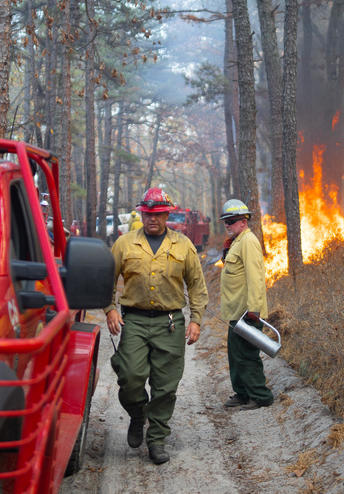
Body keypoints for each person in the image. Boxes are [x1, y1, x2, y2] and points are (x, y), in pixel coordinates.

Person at [104, 187, 207, 465]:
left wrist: (196, 319)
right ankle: (138, 414)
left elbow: (197, 284)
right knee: (129, 376)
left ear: (166, 215)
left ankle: (157, 439)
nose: (153, 219)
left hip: (169, 323)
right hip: (134, 321)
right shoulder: (124, 244)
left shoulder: (183, 244)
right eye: (148, 213)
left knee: (165, 386)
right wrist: (110, 309)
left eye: (159, 214)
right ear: (142, 214)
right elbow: (106, 280)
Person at [218, 198, 274, 410]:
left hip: (247, 313)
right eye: (226, 221)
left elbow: (256, 277)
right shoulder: (236, 242)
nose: (227, 224)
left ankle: (260, 396)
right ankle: (242, 393)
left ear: (244, 221)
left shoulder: (248, 241)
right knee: (236, 354)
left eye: (231, 221)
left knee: (247, 355)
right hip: (236, 312)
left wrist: (254, 309)